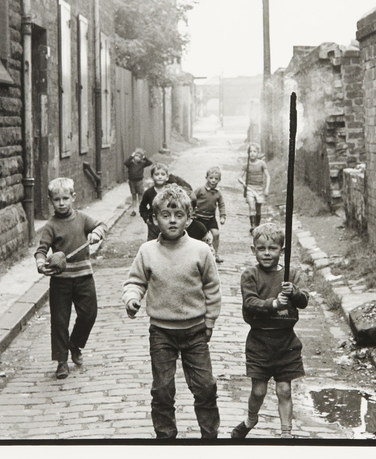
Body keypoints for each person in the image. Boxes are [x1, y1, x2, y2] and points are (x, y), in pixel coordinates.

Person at [122, 185, 222, 439]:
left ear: (189, 218)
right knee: (163, 389)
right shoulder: (147, 251)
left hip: (195, 331)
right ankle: (165, 438)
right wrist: (132, 299)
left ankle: (210, 438)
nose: (173, 220)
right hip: (162, 333)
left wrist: (209, 321)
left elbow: (212, 287)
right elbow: (135, 282)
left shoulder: (201, 251)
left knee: (205, 388)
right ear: (155, 219)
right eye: (166, 215)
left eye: (179, 215)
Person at [231, 223, 309, 439]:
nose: (266, 253)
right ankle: (251, 419)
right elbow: (250, 303)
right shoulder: (250, 275)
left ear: (281, 251)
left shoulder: (291, 275)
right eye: (261, 248)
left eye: (272, 248)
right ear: (253, 250)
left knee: (284, 390)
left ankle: (286, 435)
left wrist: (293, 293)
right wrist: (274, 304)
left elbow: (303, 301)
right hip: (259, 341)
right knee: (259, 391)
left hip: (286, 342)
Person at [35, 177, 107, 380]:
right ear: (51, 201)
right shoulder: (51, 225)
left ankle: (75, 343)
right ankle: (61, 361)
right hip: (61, 281)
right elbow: (41, 249)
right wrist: (41, 263)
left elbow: (101, 225)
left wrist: (96, 234)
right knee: (59, 320)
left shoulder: (82, 218)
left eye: (65, 198)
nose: (62, 203)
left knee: (89, 314)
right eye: (57, 199)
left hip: (84, 276)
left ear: (73, 198)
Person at [139, 162, 193, 241]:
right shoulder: (149, 192)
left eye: (162, 174)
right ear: (152, 177)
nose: (160, 177)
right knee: (153, 241)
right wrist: (146, 219)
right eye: (157, 174)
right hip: (154, 224)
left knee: (169, 240)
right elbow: (142, 206)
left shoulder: (170, 190)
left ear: (167, 177)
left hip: (168, 220)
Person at [193, 166, 227, 263]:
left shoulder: (218, 193)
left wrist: (222, 216)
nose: (213, 181)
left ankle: (215, 254)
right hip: (198, 217)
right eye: (211, 178)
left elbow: (221, 205)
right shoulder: (200, 190)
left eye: (216, 179)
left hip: (211, 218)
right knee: (198, 237)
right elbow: (192, 198)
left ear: (219, 180)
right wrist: (191, 212)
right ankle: (196, 254)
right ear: (206, 178)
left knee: (216, 234)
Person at [237, 143, 270, 233]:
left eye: (254, 151)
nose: (252, 153)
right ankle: (253, 226)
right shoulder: (246, 165)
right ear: (248, 153)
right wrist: (243, 183)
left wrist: (266, 189)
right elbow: (239, 177)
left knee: (258, 208)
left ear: (258, 153)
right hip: (250, 188)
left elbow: (268, 176)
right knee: (252, 207)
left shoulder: (262, 164)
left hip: (259, 188)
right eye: (250, 151)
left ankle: (257, 226)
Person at [123, 147, 153, 216]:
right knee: (133, 195)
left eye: (139, 157)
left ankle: (142, 209)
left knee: (140, 195)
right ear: (134, 156)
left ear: (141, 158)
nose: (137, 158)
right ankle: (133, 210)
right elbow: (125, 163)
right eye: (136, 156)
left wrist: (144, 157)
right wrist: (131, 156)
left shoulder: (142, 163)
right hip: (132, 182)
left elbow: (150, 162)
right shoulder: (130, 164)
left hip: (139, 181)